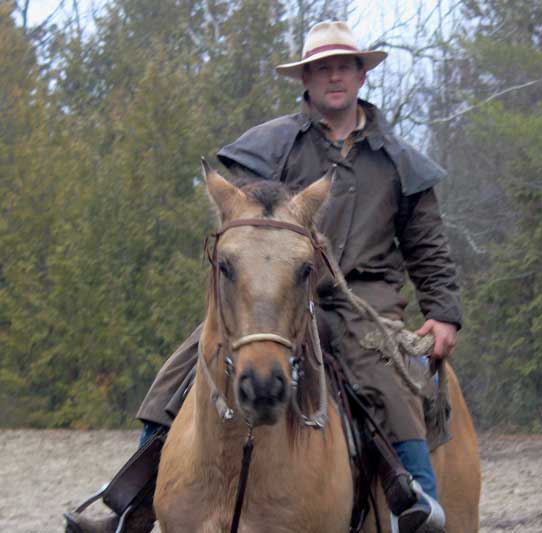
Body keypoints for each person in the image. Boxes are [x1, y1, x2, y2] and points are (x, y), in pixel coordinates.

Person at [65, 20, 460, 533]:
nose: (333, 76)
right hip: (271, 296)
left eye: (344, 66)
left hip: (363, 300)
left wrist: (443, 313)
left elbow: (427, 246)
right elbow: (242, 221)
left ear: (361, 75)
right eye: (322, 68)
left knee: (388, 384)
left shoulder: (400, 162)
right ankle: (130, 505)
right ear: (307, 79)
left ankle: (420, 505)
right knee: (181, 371)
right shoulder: (269, 144)